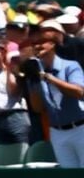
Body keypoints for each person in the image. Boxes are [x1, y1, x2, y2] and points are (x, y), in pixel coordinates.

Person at [25, 21, 84, 167]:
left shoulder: (70, 66)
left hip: (80, 128)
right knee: (69, 176)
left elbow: (79, 92)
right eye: (34, 44)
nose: (37, 46)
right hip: (57, 132)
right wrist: (33, 82)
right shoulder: (35, 71)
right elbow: (38, 108)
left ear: (52, 44)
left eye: (42, 42)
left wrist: (48, 78)